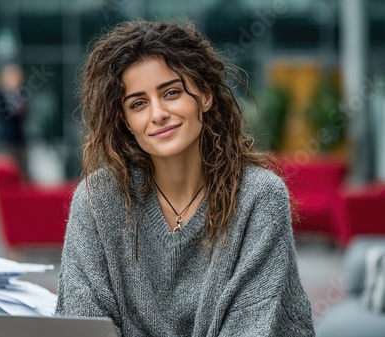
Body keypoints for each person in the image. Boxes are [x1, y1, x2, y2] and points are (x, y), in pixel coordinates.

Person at [55, 20, 315, 336]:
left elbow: (250, 328)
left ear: (204, 95)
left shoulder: (259, 196)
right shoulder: (97, 201)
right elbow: (83, 326)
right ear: (125, 121)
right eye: (138, 103)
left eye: (172, 93)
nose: (157, 113)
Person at [0, 64, 29, 179]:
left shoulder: (21, 95)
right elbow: (4, 115)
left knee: (22, 170)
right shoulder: (0, 96)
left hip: (19, 139)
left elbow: (25, 115)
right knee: (8, 169)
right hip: (6, 139)